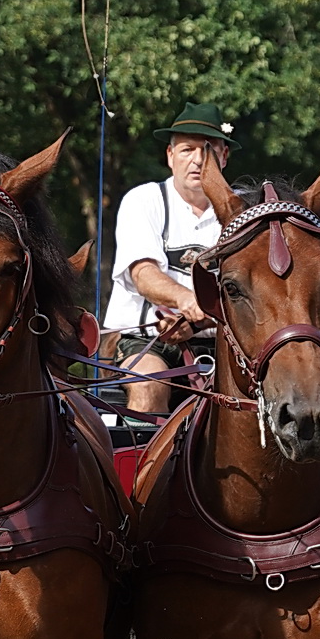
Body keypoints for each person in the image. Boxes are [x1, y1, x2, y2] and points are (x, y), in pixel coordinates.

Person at [102, 102, 238, 414]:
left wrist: (203, 316)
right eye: (187, 149)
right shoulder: (144, 200)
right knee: (149, 383)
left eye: (209, 149)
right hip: (146, 341)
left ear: (225, 156)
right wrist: (188, 302)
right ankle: (144, 463)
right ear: (170, 156)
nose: (198, 160)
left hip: (223, 343)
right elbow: (143, 274)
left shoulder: (241, 210)